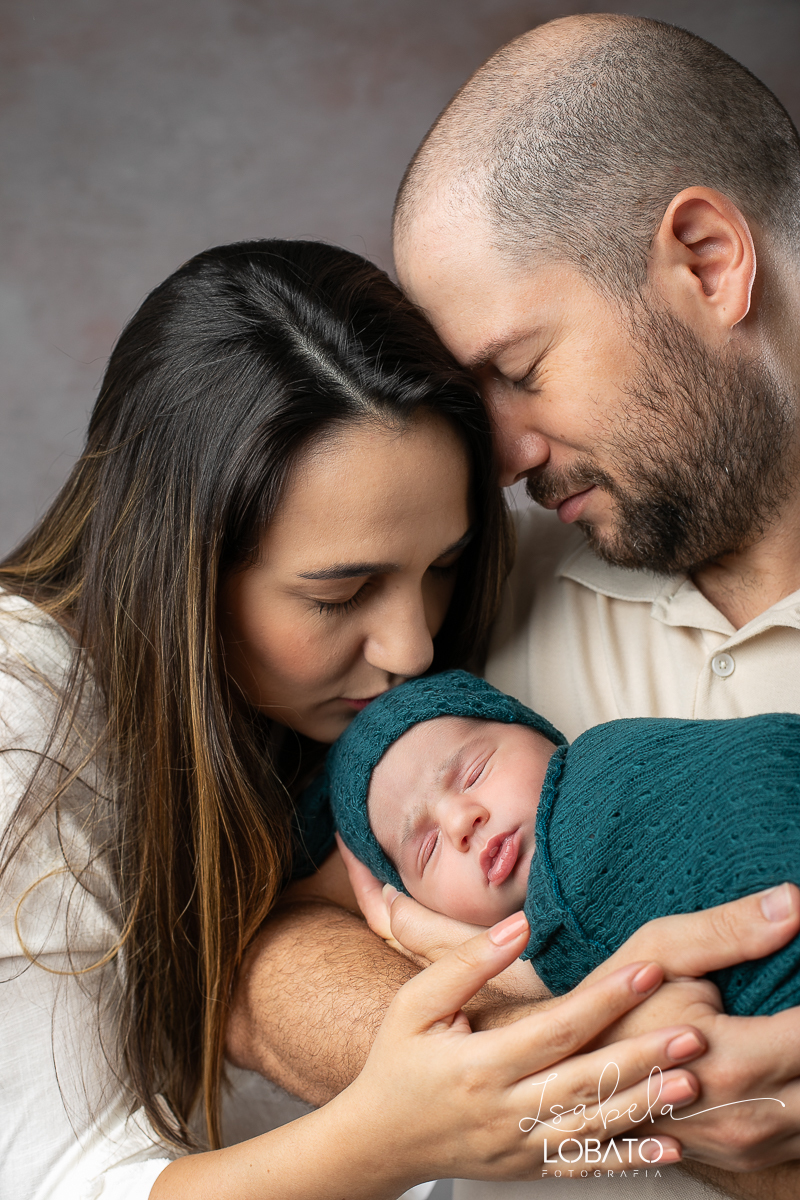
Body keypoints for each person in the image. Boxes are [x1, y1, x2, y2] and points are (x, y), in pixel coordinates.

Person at [2, 235, 725, 1198]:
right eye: (340, 595)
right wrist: (401, 1133)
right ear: (180, 573)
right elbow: (59, 1180)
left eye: (441, 568)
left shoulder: (308, 720)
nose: (413, 649)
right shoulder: (21, 725)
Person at [228, 14, 800, 1200]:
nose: (493, 454)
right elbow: (260, 953)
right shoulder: (470, 597)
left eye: (518, 370)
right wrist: (593, 1077)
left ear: (705, 258)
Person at [325, 669, 800, 1016]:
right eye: (426, 849)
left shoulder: (609, 762)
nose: (459, 823)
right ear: (427, 906)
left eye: (474, 773)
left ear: (538, 732)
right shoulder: (542, 925)